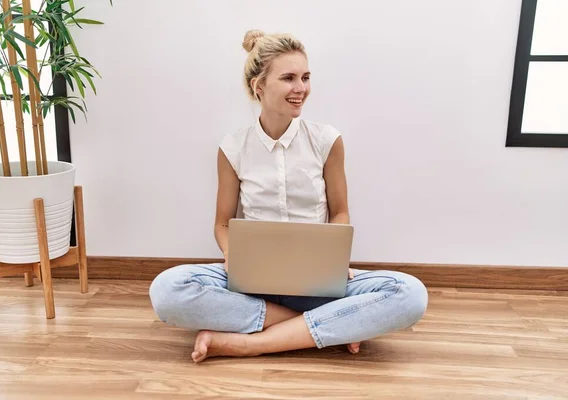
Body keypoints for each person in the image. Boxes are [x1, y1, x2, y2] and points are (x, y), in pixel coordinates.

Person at [149, 30, 428, 363]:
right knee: (167, 290)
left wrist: (334, 261)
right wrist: (231, 253)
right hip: (252, 283)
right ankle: (329, 326)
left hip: (318, 284)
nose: (302, 89)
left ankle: (251, 343)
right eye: (289, 78)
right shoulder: (233, 147)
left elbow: (340, 213)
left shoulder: (326, 140)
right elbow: (222, 223)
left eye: (306, 78)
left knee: (410, 294)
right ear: (259, 87)